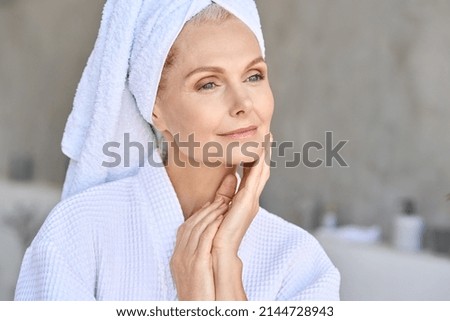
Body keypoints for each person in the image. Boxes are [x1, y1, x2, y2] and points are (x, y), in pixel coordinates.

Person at [15, 0, 340, 300]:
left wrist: (223, 265)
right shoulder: (78, 232)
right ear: (154, 107)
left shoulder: (300, 263)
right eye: (209, 83)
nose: (243, 104)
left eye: (254, 76)